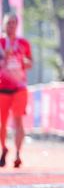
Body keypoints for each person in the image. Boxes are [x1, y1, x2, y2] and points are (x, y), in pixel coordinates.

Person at [0, 13, 32, 169]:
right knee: (3, 122)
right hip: (2, 88)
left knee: (18, 120)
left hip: (19, 88)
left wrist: (26, 62)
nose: (11, 26)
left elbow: (30, 62)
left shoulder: (23, 43)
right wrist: (4, 58)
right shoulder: (0, 43)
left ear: (17, 25)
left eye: (14, 23)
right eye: (9, 23)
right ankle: (4, 148)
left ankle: (18, 154)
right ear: (4, 24)